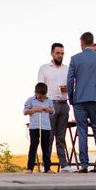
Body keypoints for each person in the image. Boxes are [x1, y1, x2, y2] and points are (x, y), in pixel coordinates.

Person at [67, 32, 96, 173]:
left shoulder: (75, 59)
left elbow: (69, 81)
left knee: (82, 130)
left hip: (80, 99)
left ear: (81, 43)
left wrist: (72, 97)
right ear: (92, 43)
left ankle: (84, 165)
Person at [38, 43, 73, 172]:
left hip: (64, 104)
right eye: (58, 53)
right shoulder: (44, 68)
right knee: (49, 137)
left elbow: (73, 86)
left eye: (62, 53)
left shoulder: (67, 68)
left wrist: (68, 88)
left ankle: (64, 165)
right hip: (50, 104)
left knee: (61, 137)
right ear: (52, 53)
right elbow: (40, 88)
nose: (60, 55)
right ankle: (46, 165)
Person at [23, 82, 54, 173]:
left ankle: (47, 168)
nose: (42, 99)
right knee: (33, 147)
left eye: (44, 97)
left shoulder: (49, 101)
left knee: (46, 147)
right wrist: (35, 109)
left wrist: (49, 110)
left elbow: (53, 111)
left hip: (46, 127)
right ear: (36, 93)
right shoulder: (30, 100)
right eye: (40, 97)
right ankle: (30, 168)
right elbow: (25, 112)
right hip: (34, 127)